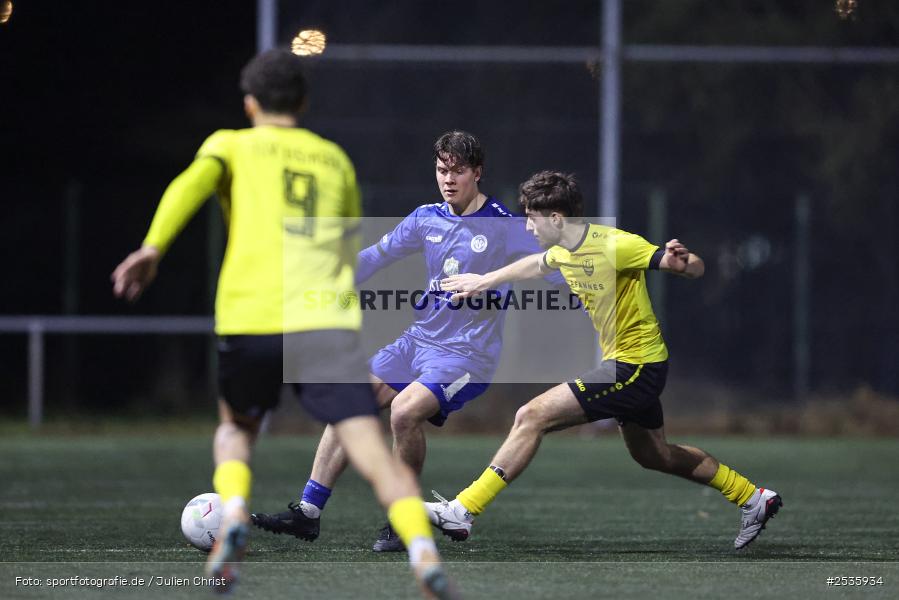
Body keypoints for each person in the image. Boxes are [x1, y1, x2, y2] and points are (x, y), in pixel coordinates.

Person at [111, 49, 456, 599]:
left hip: (250, 315)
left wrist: (153, 247)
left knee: (235, 429)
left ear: (250, 103)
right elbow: (345, 251)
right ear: (304, 102)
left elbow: (188, 186)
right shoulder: (334, 159)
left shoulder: (229, 144)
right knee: (366, 440)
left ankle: (235, 516)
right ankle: (421, 549)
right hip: (322, 320)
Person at [427, 170, 782, 550]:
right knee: (654, 454)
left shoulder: (614, 244)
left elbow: (691, 266)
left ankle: (464, 510)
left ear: (557, 219)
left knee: (531, 416)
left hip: (635, 366)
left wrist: (686, 262)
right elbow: (536, 265)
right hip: (638, 364)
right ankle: (753, 496)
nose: (527, 225)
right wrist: (482, 281)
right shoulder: (564, 249)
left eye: (531, 216)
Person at [251, 131, 565, 552]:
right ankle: (308, 511)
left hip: (468, 355)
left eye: (457, 171)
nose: (448, 179)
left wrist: (496, 280)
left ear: (477, 173)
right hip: (419, 341)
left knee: (404, 411)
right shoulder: (425, 218)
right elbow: (376, 258)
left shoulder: (504, 225)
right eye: (441, 170)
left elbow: (554, 263)